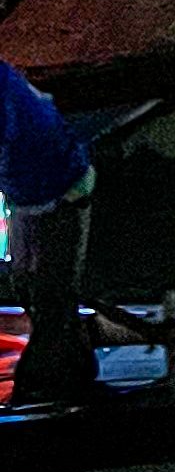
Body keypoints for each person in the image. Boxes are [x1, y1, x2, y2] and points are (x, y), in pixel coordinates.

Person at [2, 62, 96, 403]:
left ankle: (50, 386)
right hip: (28, 191)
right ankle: (65, 366)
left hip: (60, 190)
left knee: (50, 299)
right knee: (29, 289)